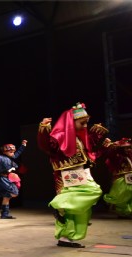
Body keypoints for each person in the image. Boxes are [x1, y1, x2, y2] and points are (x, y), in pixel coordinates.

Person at [37, 103, 107, 248]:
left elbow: (90, 151)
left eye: (86, 123)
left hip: (81, 172)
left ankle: (66, 237)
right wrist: (43, 128)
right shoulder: (59, 136)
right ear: (71, 121)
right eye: (82, 123)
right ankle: (59, 204)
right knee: (94, 191)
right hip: (69, 174)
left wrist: (97, 135)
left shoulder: (80, 137)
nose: (85, 126)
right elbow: (46, 145)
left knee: (77, 211)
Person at [0, 140, 27, 219]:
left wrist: (23, 145)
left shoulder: (12, 158)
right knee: (14, 192)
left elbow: (18, 153)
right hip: (4, 179)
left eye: (13, 151)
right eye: (10, 151)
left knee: (7, 197)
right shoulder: (0, 158)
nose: (12, 152)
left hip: (10, 178)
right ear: (4, 151)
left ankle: (4, 214)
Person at [99, 137, 132, 218]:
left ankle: (126, 212)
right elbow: (110, 156)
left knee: (129, 195)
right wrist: (112, 147)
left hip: (131, 178)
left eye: (129, 148)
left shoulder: (129, 157)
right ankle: (120, 210)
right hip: (121, 178)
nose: (128, 150)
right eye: (125, 148)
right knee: (121, 194)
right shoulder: (117, 156)